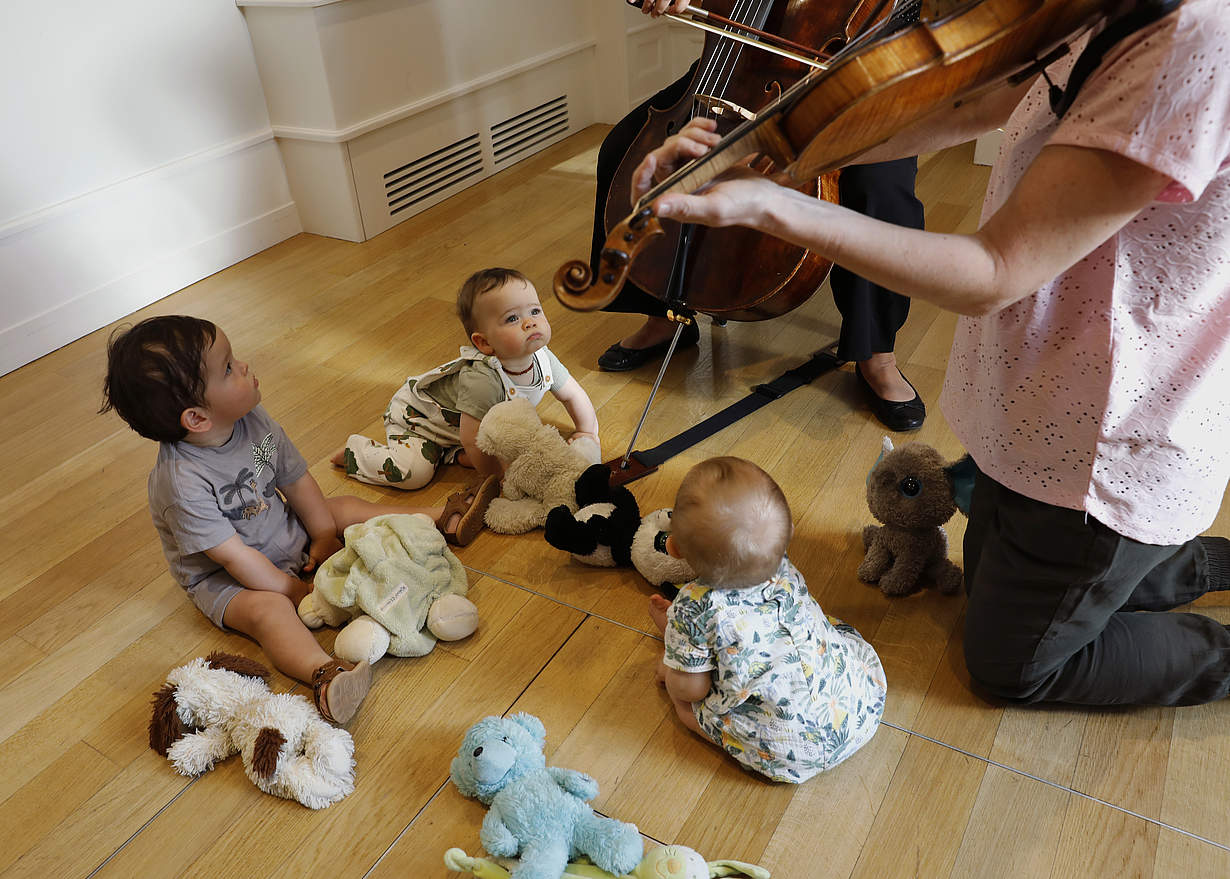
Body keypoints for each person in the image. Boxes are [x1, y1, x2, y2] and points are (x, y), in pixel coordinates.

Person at [634, 0, 1230, 706]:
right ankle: (1166, 569)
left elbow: (996, 269)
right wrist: (770, 152)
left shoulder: (1197, 37)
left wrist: (774, 204)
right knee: (1003, 576)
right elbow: (981, 106)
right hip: (1042, 388)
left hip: (1107, 428)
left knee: (1013, 665)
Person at [100, 316, 490, 723]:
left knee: (342, 507)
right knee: (269, 613)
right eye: (229, 368)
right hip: (228, 580)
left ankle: (438, 518)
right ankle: (324, 673)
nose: (245, 366)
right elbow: (233, 558)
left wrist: (322, 534)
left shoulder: (251, 419)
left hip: (280, 528)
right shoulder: (181, 482)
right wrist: (295, 590)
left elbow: (295, 479)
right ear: (197, 418)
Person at [590, 0, 927, 431]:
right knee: (623, 147)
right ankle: (660, 315)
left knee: (882, 193)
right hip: (745, 59)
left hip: (861, 67)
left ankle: (877, 354)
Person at [648, 456, 886, 782]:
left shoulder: (694, 607)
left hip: (789, 751)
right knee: (811, 628)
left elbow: (693, 690)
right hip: (855, 710)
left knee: (685, 705)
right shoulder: (780, 564)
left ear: (673, 548)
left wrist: (670, 667)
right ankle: (687, 648)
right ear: (789, 532)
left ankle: (680, 654)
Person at [333, 268, 600, 509]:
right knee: (415, 473)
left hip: (460, 428)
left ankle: (451, 454)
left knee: (518, 446)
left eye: (534, 311)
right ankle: (356, 455)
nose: (529, 322)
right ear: (483, 342)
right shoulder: (483, 380)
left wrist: (587, 431)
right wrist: (499, 478)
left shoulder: (543, 357)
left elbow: (572, 394)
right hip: (418, 419)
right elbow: (471, 437)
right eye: (511, 318)